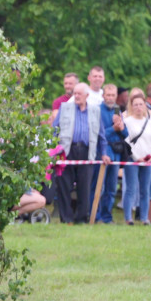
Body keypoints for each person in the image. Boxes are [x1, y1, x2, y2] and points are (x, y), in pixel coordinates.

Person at [53, 82, 109, 224]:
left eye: (79, 94)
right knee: (64, 185)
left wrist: (103, 153)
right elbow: (54, 129)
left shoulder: (95, 111)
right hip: (67, 151)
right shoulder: (65, 108)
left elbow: (101, 135)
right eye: (75, 93)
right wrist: (54, 149)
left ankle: (81, 218)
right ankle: (66, 218)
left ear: (87, 95)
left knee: (85, 187)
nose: (76, 96)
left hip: (87, 151)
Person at [96, 83, 127, 224]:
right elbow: (98, 134)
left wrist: (121, 126)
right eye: (108, 95)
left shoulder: (117, 110)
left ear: (116, 96)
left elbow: (126, 134)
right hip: (103, 153)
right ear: (103, 96)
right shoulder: (97, 110)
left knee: (112, 188)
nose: (110, 98)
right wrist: (113, 128)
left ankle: (107, 217)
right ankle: (96, 216)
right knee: (99, 187)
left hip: (116, 154)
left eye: (113, 95)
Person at [121, 93, 151, 224]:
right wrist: (136, 157)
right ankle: (128, 218)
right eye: (135, 105)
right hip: (132, 159)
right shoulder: (127, 122)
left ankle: (144, 218)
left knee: (145, 190)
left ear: (145, 105)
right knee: (131, 189)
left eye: (141, 104)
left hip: (148, 160)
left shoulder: (150, 122)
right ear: (131, 107)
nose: (138, 107)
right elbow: (126, 143)